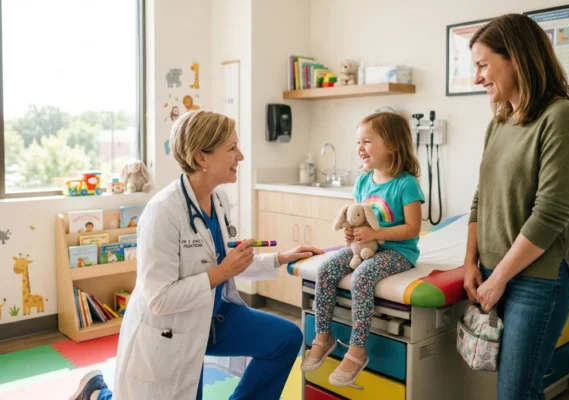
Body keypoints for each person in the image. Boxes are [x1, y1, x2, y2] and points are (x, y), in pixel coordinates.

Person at [69, 110, 323, 400]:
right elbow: (160, 299)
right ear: (202, 158)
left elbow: (228, 260)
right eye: (231, 149)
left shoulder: (219, 200)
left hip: (214, 317)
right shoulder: (162, 212)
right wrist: (221, 273)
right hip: (170, 328)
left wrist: (280, 258)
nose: (240, 156)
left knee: (285, 338)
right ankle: (95, 394)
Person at [465, 14, 569, 400]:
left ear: (516, 58)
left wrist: (499, 277)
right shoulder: (499, 122)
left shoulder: (562, 117)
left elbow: (551, 213)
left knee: (517, 392)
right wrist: (471, 262)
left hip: (538, 278)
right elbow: (480, 196)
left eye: (484, 65)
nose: (477, 77)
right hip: (491, 270)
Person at [300, 112, 425, 386]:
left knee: (362, 277)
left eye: (367, 141)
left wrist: (375, 233)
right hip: (363, 247)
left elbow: (413, 229)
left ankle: (357, 350)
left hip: (397, 251)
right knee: (327, 268)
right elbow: (356, 216)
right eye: (359, 141)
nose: (360, 148)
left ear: (391, 145)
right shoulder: (363, 182)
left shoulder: (406, 184)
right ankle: (324, 337)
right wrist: (351, 232)